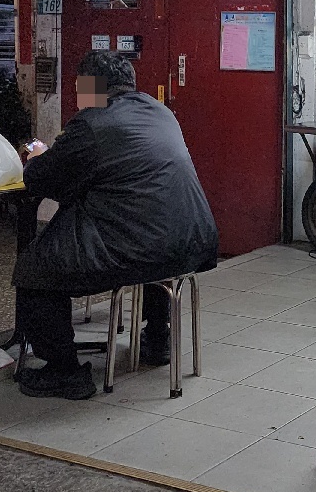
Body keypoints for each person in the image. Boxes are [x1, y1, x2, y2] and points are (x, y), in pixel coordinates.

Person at [13, 50, 219, 400]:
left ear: (93, 88)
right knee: (152, 247)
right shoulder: (162, 112)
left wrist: (35, 157)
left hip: (143, 247)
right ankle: (158, 340)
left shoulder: (92, 122)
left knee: (34, 269)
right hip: (192, 242)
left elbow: (42, 179)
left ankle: (65, 371)